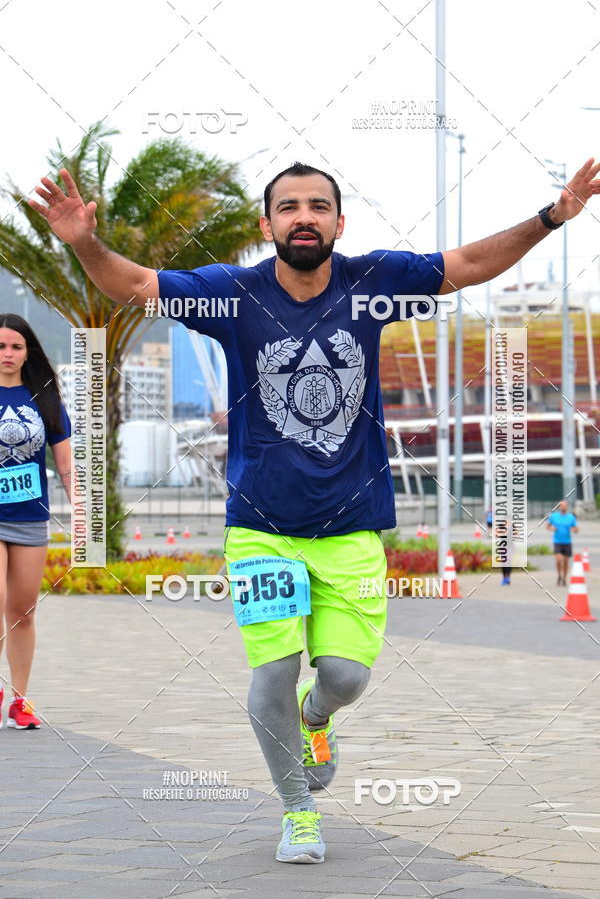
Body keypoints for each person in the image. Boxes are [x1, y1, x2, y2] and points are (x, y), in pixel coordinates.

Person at [29, 157, 600, 863]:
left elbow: (473, 261)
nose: (305, 216)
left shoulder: (376, 283)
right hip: (260, 528)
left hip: (351, 529)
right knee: (271, 671)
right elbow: (138, 285)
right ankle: (298, 810)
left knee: (345, 676)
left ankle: (316, 717)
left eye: (319, 205)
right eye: (290, 206)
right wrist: (84, 242)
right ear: (267, 224)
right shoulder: (231, 294)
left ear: (338, 222)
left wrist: (552, 216)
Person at [0, 314, 72, 730]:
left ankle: (19, 700)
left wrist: (80, 509)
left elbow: (65, 464)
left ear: (28, 353)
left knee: (23, 611)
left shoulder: (44, 399)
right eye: (1, 346)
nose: (8, 355)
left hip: (30, 519)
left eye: (16, 347)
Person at [547, 499, 578, 586]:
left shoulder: (571, 517)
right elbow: (548, 526)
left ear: (567, 507)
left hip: (567, 542)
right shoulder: (554, 516)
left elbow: (576, 529)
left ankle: (564, 578)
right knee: (559, 559)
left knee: (566, 561)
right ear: (559, 507)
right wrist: (551, 528)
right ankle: (559, 575)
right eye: (561, 505)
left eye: (564, 505)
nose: (563, 507)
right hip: (557, 541)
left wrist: (574, 529)